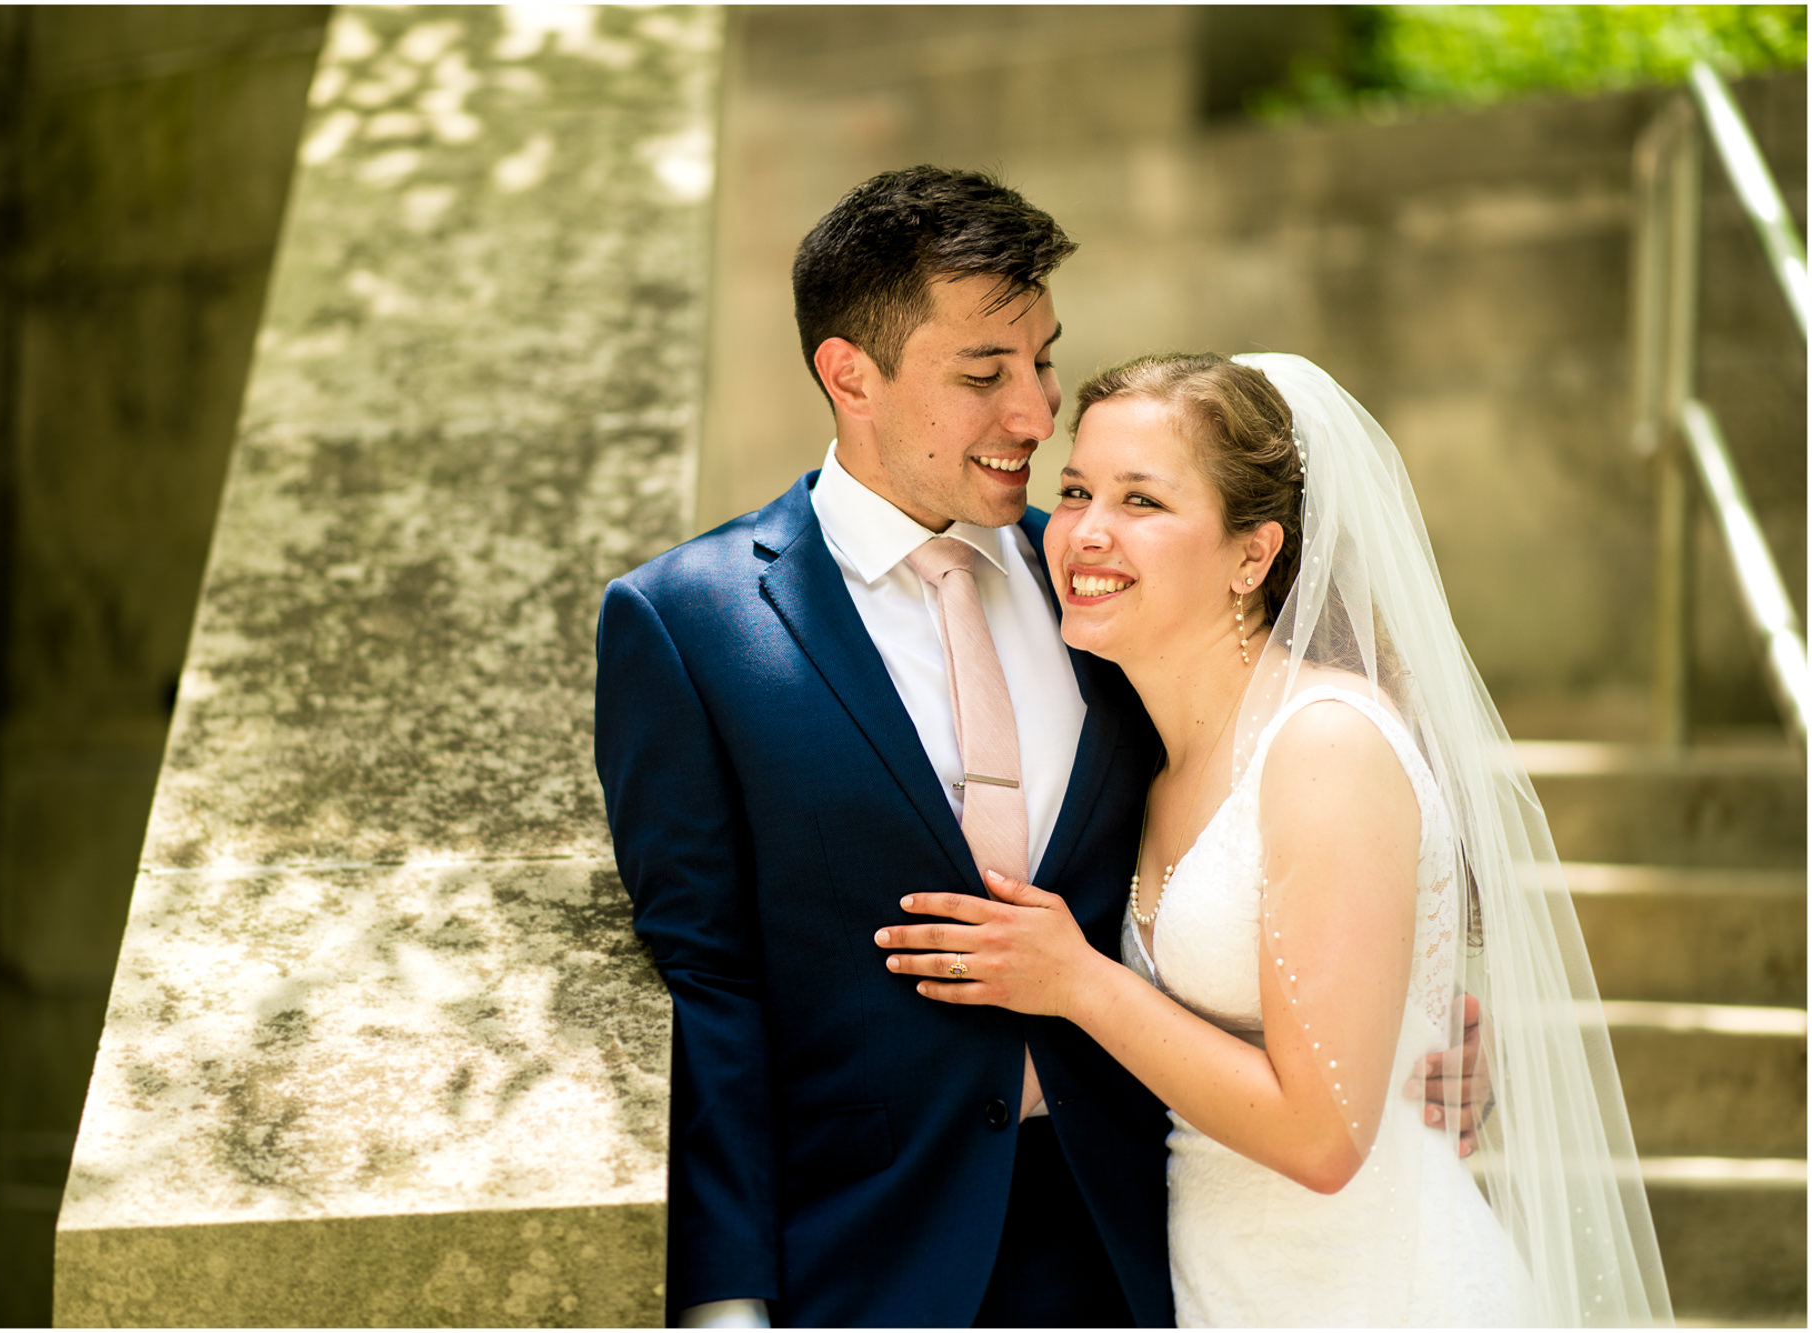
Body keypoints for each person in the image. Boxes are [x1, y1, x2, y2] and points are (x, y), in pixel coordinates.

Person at [887, 351, 1669, 1325]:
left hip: (1373, 1290)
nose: (1084, 531)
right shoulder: (1145, 757)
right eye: (1078, 488)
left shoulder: (1324, 743)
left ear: (1252, 555)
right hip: (1220, 1282)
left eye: (1141, 501)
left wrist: (1075, 980)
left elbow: (1322, 1134)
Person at [595, 165, 1172, 1328]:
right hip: (866, 1259)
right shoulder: (689, 622)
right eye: (983, 373)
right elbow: (709, 980)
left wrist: (1410, 1016)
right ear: (848, 373)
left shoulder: (1107, 579)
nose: (1035, 413)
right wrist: (722, 1298)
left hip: (1144, 1238)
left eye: (1044, 359)